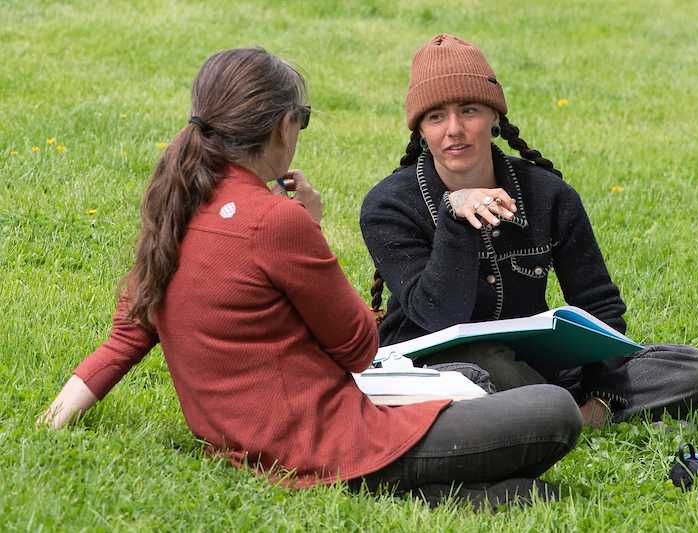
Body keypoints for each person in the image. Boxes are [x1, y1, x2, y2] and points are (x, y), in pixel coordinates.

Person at [39, 47, 582, 509]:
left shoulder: (175, 208)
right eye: (302, 119)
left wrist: (51, 423)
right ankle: (423, 489)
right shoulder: (276, 220)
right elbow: (358, 347)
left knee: (479, 391)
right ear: (282, 125)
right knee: (552, 410)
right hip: (326, 445)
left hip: (241, 443)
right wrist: (311, 230)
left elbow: (126, 337)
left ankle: (456, 490)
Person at [360, 34, 698, 429]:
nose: (454, 129)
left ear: (495, 117)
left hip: (536, 367)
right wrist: (454, 214)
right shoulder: (388, 205)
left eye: (470, 110)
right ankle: (558, 412)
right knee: (487, 363)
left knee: (689, 367)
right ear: (421, 129)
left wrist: (602, 388)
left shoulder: (548, 194)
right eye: (436, 116)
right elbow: (437, 314)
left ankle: (570, 414)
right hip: (432, 370)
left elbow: (601, 309)